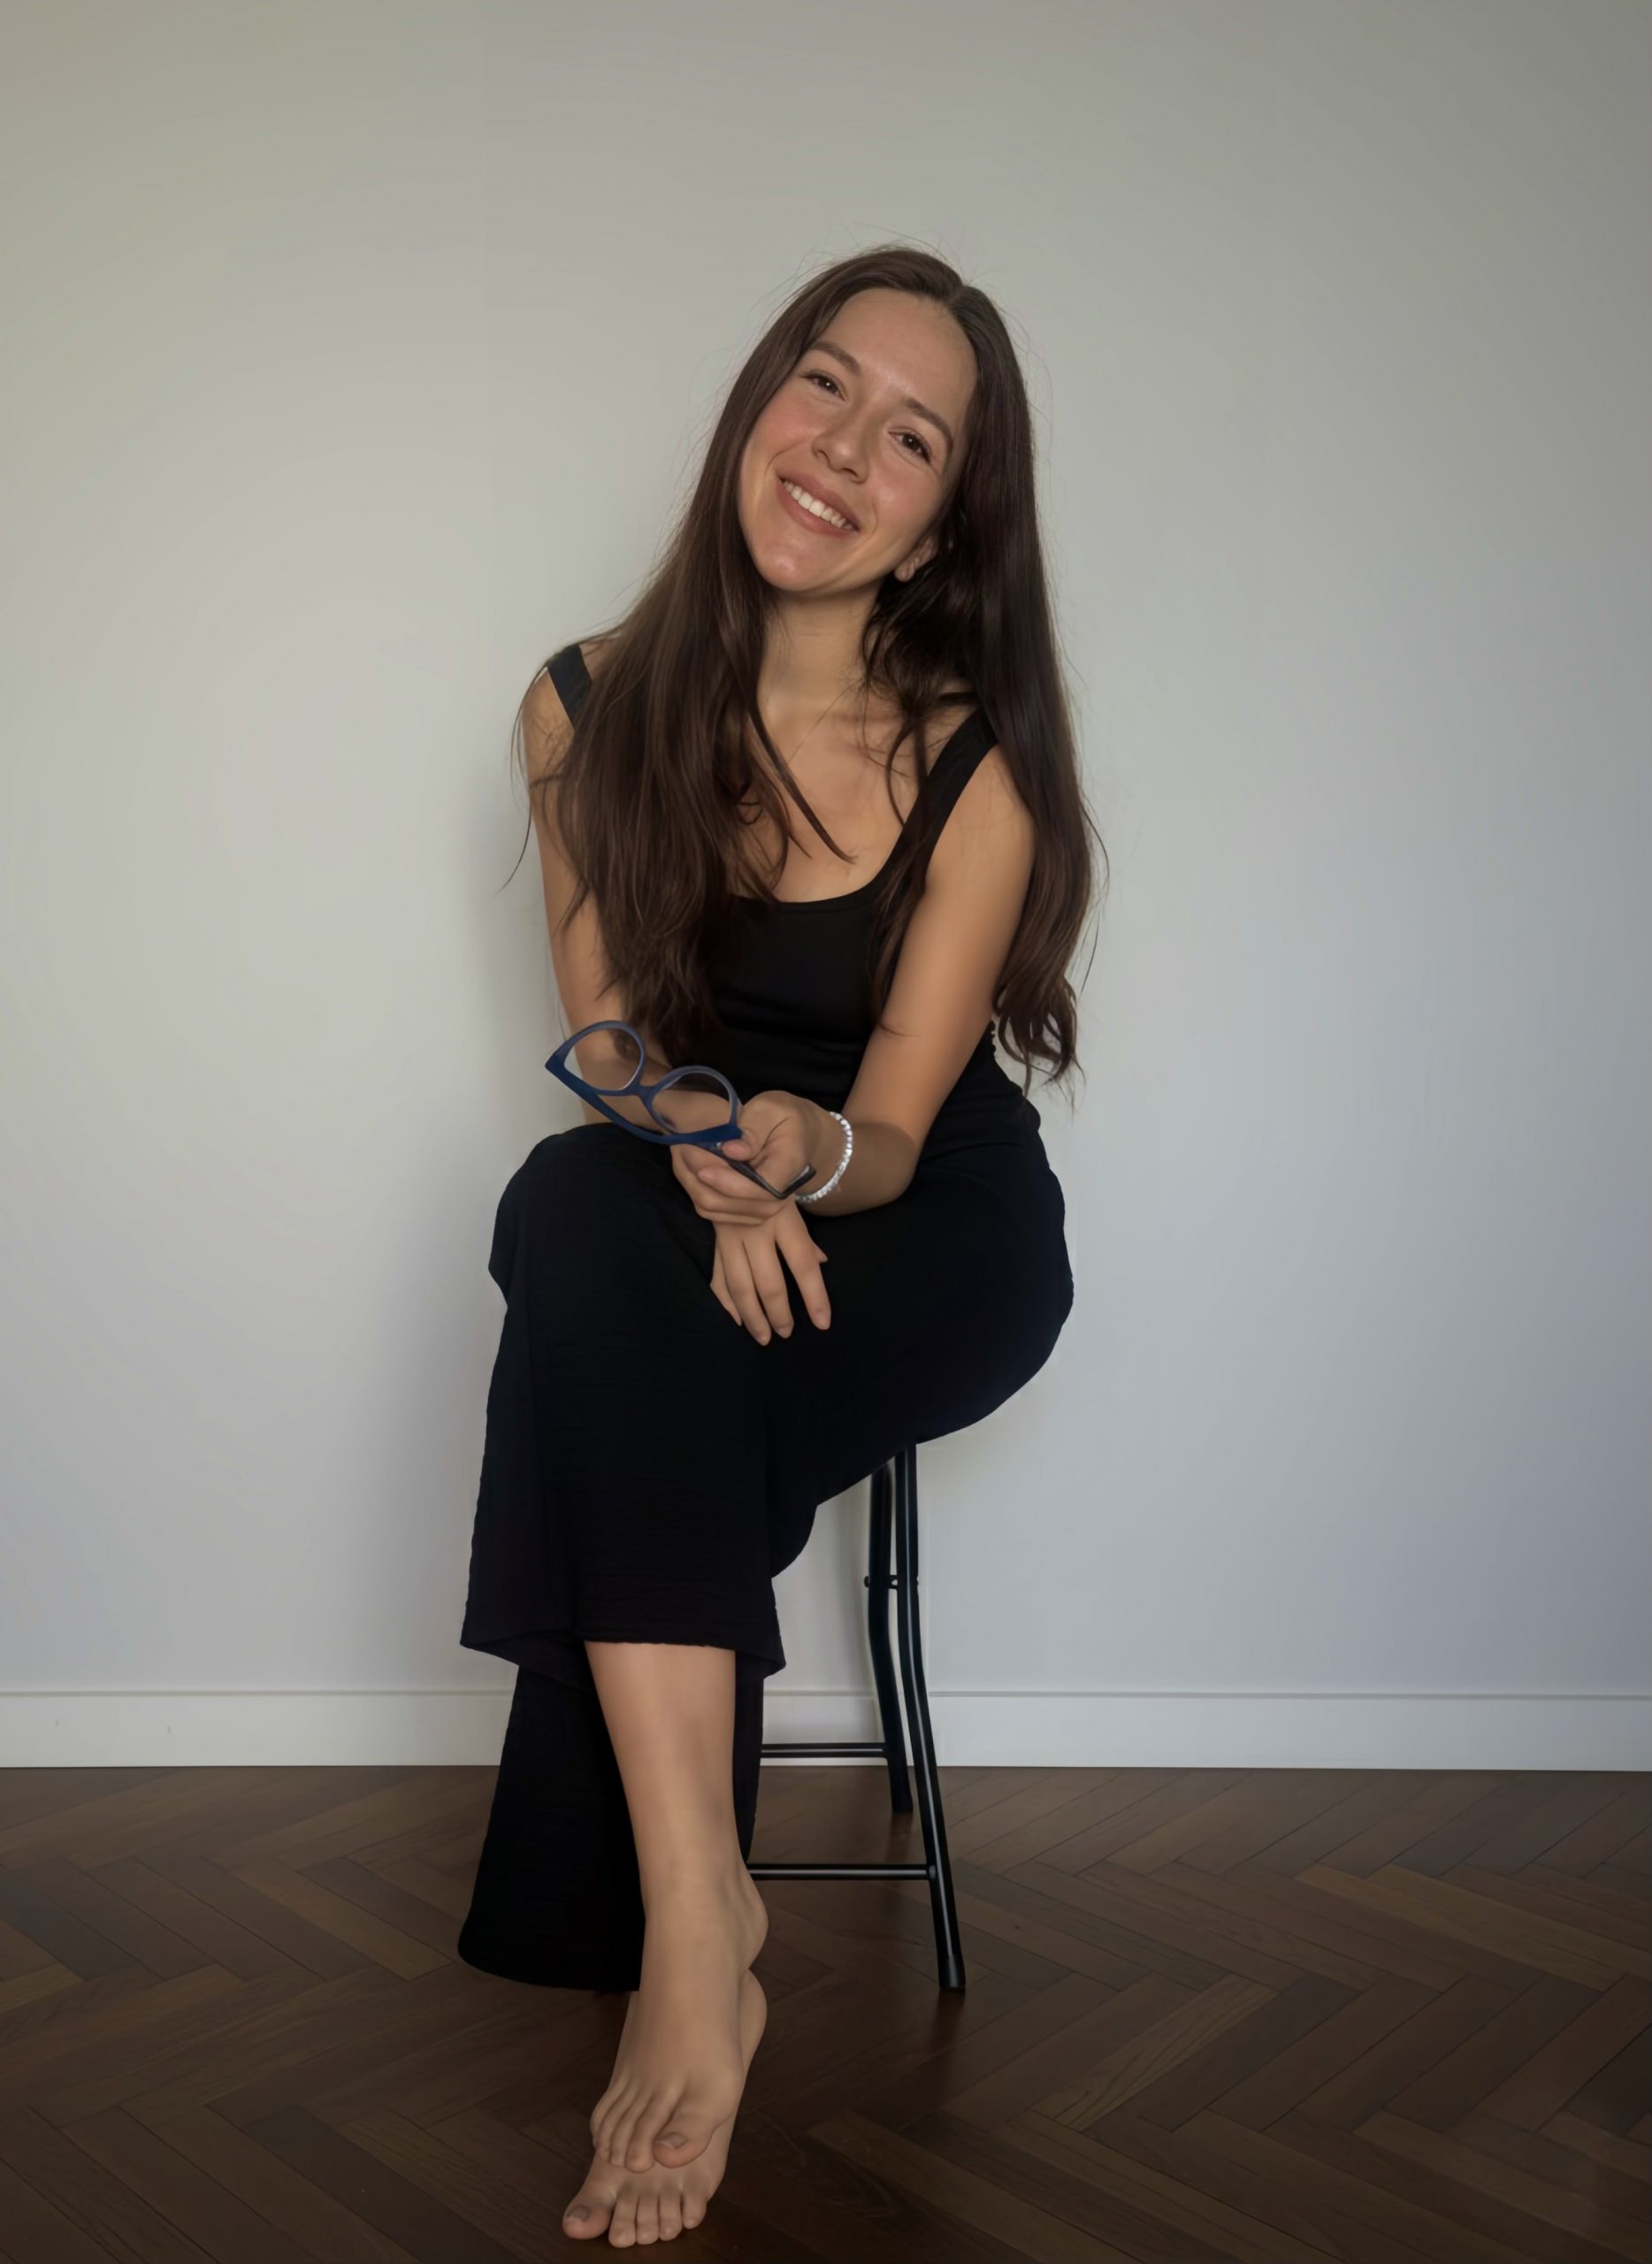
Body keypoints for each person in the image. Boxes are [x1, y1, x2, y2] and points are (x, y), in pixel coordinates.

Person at [456, 242, 1102, 2247]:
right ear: (758, 400)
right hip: (684, 1185)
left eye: (911, 437)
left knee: (612, 1334)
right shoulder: (581, 707)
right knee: (573, 1210)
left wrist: (796, 1157)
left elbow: (895, 1123)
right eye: (823, 383)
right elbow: (605, 1047)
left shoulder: (973, 763)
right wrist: (703, 1161)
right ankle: (698, 1915)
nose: (841, 447)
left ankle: (682, 1938)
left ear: (944, 522)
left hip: (924, 1219)